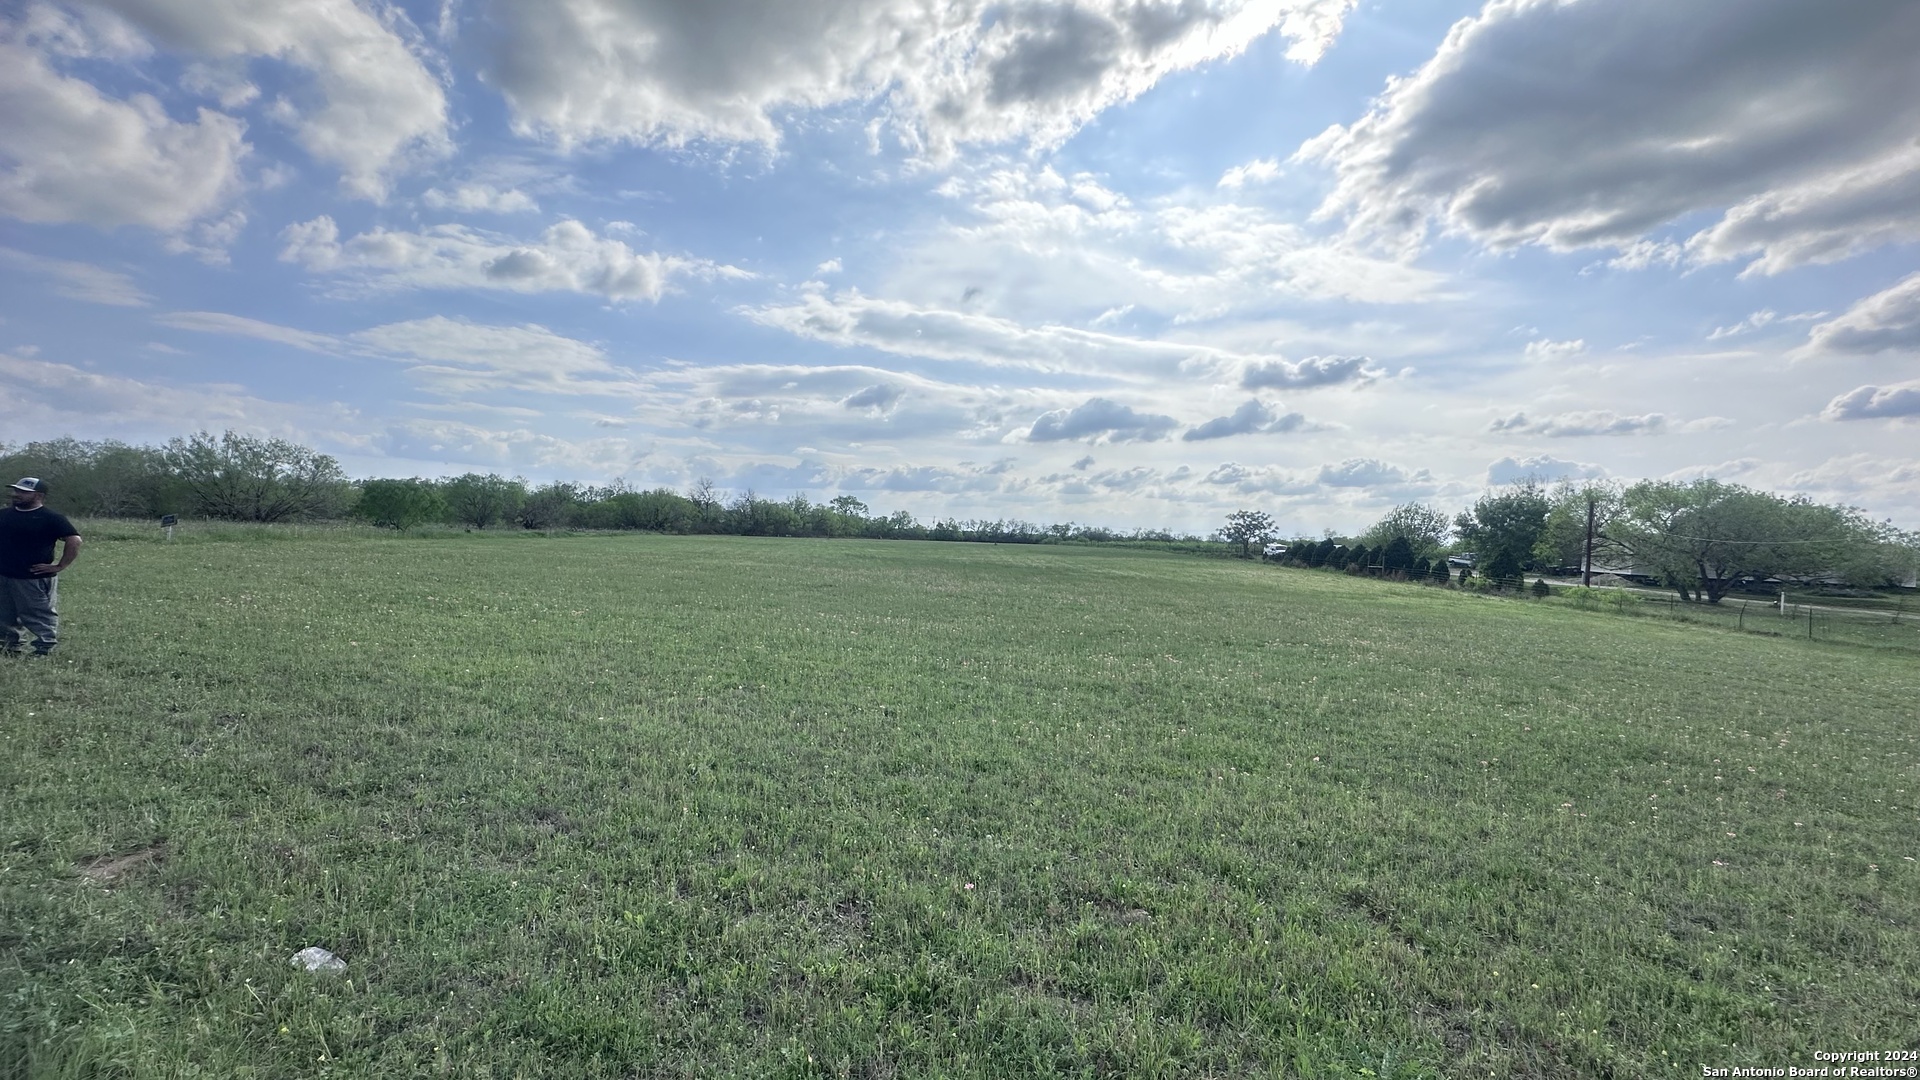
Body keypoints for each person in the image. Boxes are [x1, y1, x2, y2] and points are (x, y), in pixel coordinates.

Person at [1, 477, 82, 657]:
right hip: (4, 575)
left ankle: (43, 649)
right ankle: (10, 648)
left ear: (38, 495)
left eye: (23, 492)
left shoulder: (50, 518)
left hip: (32, 577)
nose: (16, 495)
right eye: (16, 491)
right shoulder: (4, 515)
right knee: (5, 615)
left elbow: (74, 540)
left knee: (39, 615)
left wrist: (60, 565)